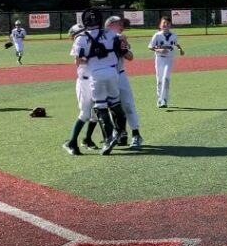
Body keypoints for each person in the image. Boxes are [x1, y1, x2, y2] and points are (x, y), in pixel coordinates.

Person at [69, 9, 128, 155]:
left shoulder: (81, 38)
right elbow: (123, 44)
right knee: (115, 103)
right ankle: (120, 131)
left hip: (94, 76)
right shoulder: (110, 33)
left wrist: (91, 57)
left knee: (100, 108)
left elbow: (78, 61)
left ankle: (108, 139)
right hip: (112, 72)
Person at [107, 16, 143, 148]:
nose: (122, 26)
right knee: (112, 108)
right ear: (110, 25)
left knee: (127, 105)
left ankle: (136, 134)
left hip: (120, 75)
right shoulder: (103, 38)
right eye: (119, 23)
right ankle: (120, 134)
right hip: (106, 77)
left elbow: (130, 57)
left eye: (122, 24)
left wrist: (123, 47)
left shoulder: (119, 38)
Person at [63, 23, 93, 156]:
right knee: (85, 114)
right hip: (84, 80)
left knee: (96, 114)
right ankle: (71, 142)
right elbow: (78, 60)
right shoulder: (82, 40)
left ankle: (87, 139)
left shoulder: (92, 38)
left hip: (94, 80)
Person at [148, 17, 183, 108]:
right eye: (163, 23)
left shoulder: (174, 36)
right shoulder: (157, 35)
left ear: (170, 25)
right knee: (159, 80)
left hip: (169, 59)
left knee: (166, 78)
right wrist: (159, 50)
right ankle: (159, 98)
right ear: (160, 25)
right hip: (159, 59)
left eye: (167, 23)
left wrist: (180, 49)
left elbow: (176, 43)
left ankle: (164, 100)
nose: (165, 25)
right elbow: (150, 47)